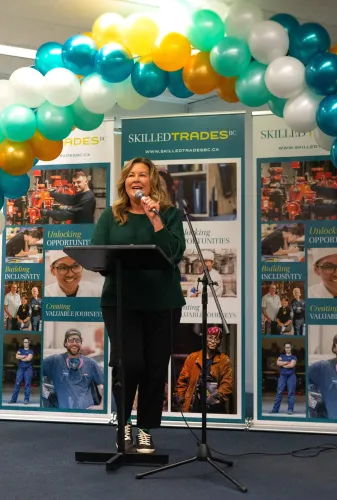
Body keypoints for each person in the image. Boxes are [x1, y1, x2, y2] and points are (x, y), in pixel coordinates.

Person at [91, 156, 185, 454]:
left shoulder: (168, 213)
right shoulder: (111, 216)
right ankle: (124, 424)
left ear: (152, 182)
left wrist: (154, 218)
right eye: (131, 175)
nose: (137, 179)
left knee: (155, 367)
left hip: (162, 301)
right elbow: (97, 255)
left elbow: (174, 253)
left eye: (143, 175)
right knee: (129, 363)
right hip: (121, 302)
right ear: (125, 182)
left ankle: (145, 428)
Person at [42, 329, 104, 411]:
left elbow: (102, 386)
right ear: (65, 343)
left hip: (86, 413)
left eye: (77, 340)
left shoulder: (90, 363)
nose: (74, 343)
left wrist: (102, 405)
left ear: (81, 343)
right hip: (63, 414)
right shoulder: (54, 361)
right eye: (71, 340)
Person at [175, 326, 233, 414]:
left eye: (217, 339)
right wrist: (181, 398)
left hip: (214, 408)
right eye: (210, 338)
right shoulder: (192, 358)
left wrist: (216, 396)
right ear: (205, 339)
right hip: (194, 405)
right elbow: (182, 381)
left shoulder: (224, 360)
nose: (213, 341)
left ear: (220, 341)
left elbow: (227, 384)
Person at [271, 342, 297, 415]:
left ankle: (290, 410)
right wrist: (286, 362)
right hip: (282, 376)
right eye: (286, 347)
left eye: (288, 347)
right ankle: (275, 409)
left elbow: (291, 365)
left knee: (291, 393)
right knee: (279, 392)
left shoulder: (294, 357)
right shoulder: (281, 355)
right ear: (284, 348)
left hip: (291, 376)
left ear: (291, 348)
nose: (287, 349)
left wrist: (283, 364)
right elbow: (278, 363)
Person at [8, 338, 34, 405]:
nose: (25, 343)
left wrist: (21, 357)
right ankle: (13, 400)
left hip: (28, 369)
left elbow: (28, 359)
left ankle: (26, 400)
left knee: (27, 384)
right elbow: (16, 356)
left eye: (27, 342)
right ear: (23, 343)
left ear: (29, 343)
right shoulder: (20, 350)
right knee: (17, 383)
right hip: (20, 369)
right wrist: (24, 356)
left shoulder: (31, 351)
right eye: (24, 342)